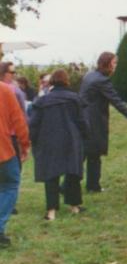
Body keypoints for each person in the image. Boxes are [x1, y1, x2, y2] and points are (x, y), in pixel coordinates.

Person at [29, 69, 88, 220]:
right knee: (73, 173)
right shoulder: (75, 99)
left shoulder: (42, 101)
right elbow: (82, 121)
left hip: (49, 141)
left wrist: (32, 140)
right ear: (66, 81)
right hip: (72, 140)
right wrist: (85, 136)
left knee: (51, 175)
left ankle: (51, 212)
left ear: (52, 83)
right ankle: (74, 207)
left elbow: (33, 124)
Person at [80, 52, 127, 193]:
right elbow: (116, 101)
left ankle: (88, 185)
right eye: (114, 63)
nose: (116, 66)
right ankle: (84, 186)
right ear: (107, 64)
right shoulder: (102, 81)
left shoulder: (89, 76)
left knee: (85, 155)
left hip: (82, 118)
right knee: (92, 155)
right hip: (93, 121)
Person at [0, 81, 29, 247]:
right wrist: (24, 144)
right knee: (10, 184)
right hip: (3, 150)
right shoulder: (5, 90)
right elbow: (18, 120)